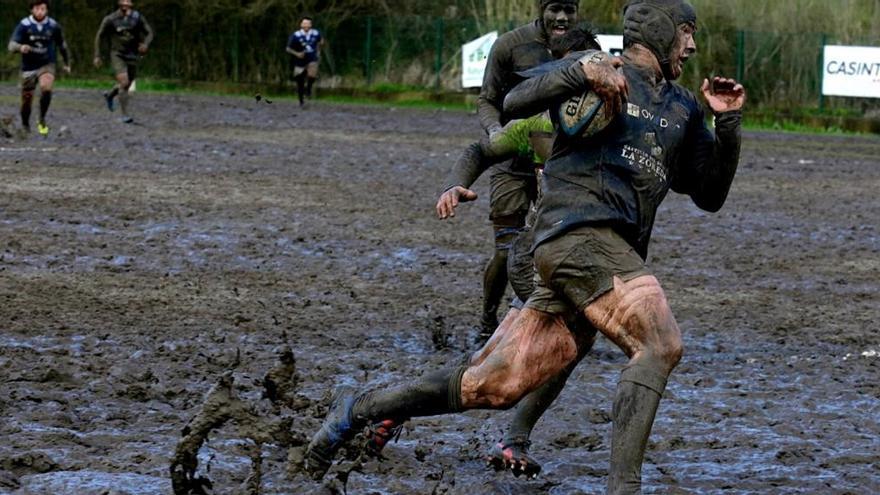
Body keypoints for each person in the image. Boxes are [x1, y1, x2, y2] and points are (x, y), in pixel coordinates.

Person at [305, 0, 746, 493]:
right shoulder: (599, 65)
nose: (691, 44)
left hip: (602, 254)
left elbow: (709, 195)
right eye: (686, 32)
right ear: (660, 30)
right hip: (574, 236)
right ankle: (625, 489)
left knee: (494, 385)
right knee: (659, 343)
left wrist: (727, 126)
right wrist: (582, 70)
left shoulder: (683, 106)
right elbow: (515, 100)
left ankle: (358, 409)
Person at [434, 28, 602, 477]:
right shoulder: (539, 122)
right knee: (544, 354)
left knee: (505, 360)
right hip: (545, 257)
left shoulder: (619, 121)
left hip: (564, 254)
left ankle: (387, 412)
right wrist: (457, 184)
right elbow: (480, 149)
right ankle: (509, 438)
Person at [475, 0, 580, 340]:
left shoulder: (584, 50)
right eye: (554, 8)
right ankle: (487, 319)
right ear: (539, 8)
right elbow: (487, 99)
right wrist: (495, 132)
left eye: (569, 9)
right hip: (514, 161)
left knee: (558, 250)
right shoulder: (509, 45)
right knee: (507, 248)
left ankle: (552, 324)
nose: (562, 17)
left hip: (561, 165)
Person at [7, 0, 71, 136]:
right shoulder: (24, 25)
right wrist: (20, 47)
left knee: (46, 88)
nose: (40, 11)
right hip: (29, 66)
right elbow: (11, 45)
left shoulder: (53, 25)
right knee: (27, 99)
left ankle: (41, 118)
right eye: (37, 9)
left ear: (47, 10)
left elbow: (62, 45)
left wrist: (66, 63)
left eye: (43, 9)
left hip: (47, 63)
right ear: (32, 10)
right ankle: (25, 124)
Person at [93, 0, 153, 124]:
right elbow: (99, 35)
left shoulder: (137, 18)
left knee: (128, 83)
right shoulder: (111, 19)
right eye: (123, 1)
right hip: (117, 54)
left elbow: (149, 32)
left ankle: (110, 95)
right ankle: (125, 115)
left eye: (128, 1)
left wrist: (146, 44)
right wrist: (97, 55)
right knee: (124, 82)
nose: (126, 3)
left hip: (132, 54)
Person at [286, 17, 324, 106]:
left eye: (308, 24)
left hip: (312, 58)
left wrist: (318, 51)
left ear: (311, 25)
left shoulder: (316, 33)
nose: (306, 26)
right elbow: (288, 48)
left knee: (312, 75)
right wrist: (297, 54)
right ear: (301, 25)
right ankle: (301, 100)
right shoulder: (296, 35)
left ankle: (309, 89)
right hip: (300, 60)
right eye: (304, 24)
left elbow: (321, 41)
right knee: (300, 80)